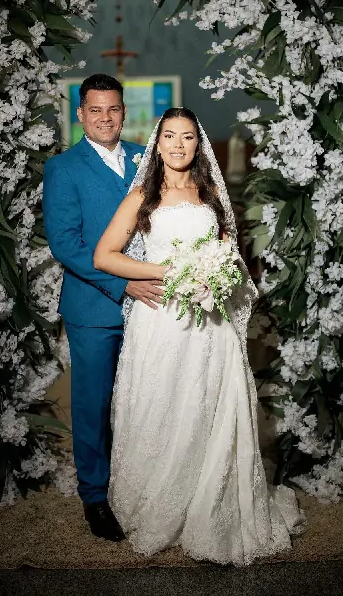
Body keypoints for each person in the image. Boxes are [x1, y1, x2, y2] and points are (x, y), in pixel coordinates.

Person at [93, 107, 302, 566]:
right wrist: (171, 272)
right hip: (161, 320)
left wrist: (219, 274)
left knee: (209, 405)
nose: (178, 145)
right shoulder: (141, 196)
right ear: (157, 142)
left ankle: (214, 502)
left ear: (198, 144)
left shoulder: (210, 195)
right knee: (163, 402)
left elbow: (230, 256)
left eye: (187, 137)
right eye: (169, 136)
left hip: (211, 324)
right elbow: (105, 256)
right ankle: (160, 498)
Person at [42, 73, 163, 542]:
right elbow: (66, 245)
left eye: (113, 109)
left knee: (146, 398)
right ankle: (95, 496)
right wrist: (123, 284)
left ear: (124, 111)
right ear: (80, 114)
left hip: (152, 304)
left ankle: (142, 483)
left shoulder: (144, 159)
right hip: (95, 307)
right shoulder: (63, 167)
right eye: (95, 110)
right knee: (93, 404)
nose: (105, 118)